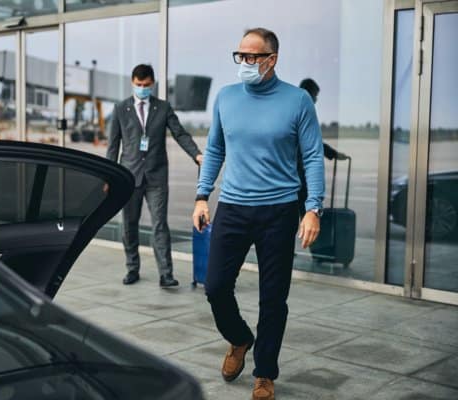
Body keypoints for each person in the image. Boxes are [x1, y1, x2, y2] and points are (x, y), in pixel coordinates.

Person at [192, 28, 325, 400]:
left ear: (272, 59)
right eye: (240, 56)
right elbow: (214, 149)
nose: (245, 63)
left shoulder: (297, 101)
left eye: (253, 57)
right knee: (215, 286)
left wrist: (313, 207)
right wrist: (202, 196)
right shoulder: (226, 97)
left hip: (279, 211)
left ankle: (264, 373)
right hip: (233, 207)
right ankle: (239, 339)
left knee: (273, 298)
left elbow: (313, 156)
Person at [107, 64, 203, 288]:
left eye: (146, 85)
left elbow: (180, 133)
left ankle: (166, 274)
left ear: (153, 84)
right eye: (138, 85)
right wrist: (109, 177)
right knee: (129, 224)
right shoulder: (121, 109)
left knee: (160, 224)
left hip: (156, 176)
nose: (142, 89)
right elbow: (113, 145)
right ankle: (132, 268)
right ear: (132, 83)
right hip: (129, 176)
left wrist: (197, 155)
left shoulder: (163, 108)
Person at [297, 78, 348, 217]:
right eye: (315, 95)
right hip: (298, 177)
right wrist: (333, 154)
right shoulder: (301, 113)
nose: (315, 100)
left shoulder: (295, 110)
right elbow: (314, 143)